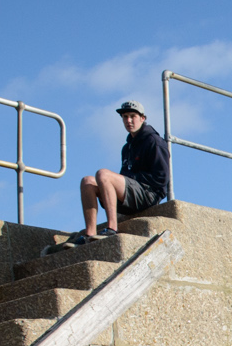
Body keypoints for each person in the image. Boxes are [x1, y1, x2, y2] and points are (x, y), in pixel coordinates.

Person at [71, 99, 169, 245]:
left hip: (149, 194)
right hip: (131, 195)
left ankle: (112, 228)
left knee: (103, 174)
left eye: (132, 116)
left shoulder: (154, 141)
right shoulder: (126, 147)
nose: (128, 120)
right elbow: (124, 177)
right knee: (87, 181)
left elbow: (162, 179)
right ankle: (89, 234)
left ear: (142, 118)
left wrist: (131, 179)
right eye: (125, 117)